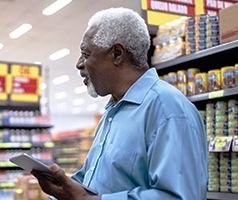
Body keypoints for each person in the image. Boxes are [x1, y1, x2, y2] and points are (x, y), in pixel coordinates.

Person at [31, 7, 207, 200]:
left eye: (85, 54)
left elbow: (179, 196)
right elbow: (93, 182)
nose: (79, 64)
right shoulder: (112, 111)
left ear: (117, 54)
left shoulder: (167, 108)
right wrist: (62, 190)